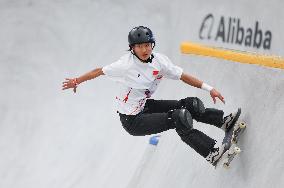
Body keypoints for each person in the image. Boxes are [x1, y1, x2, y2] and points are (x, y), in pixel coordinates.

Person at [62, 26, 241, 166]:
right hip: (132, 121)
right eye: (140, 46)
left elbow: (183, 76)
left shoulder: (160, 61)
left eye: (147, 45)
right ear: (133, 48)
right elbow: (98, 71)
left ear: (152, 45)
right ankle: (211, 152)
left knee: (190, 104)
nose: (145, 49)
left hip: (145, 106)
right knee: (179, 118)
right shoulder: (125, 65)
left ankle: (222, 121)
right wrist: (77, 80)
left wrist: (209, 88)